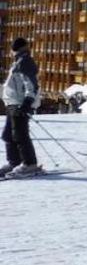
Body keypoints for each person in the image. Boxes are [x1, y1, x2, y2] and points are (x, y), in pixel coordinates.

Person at [1, 38, 41, 178]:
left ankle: (30, 164)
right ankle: (14, 162)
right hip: (12, 103)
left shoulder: (25, 62)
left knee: (20, 135)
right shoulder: (18, 61)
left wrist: (27, 102)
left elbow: (31, 85)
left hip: (20, 104)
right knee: (8, 135)